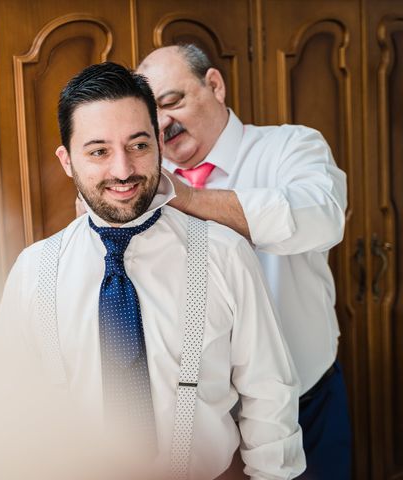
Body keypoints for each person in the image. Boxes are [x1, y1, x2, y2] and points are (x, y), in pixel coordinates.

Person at [0, 62, 305, 479]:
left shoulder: (225, 255)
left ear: (159, 142)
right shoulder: (33, 273)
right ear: (68, 160)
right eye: (99, 151)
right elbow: (9, 411)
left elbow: (270, 397)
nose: (123, 171)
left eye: (138, 145)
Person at [137, 44, 350, 479]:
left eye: (171, 101)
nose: (162, 124)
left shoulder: (290, 146)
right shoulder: (147, 185)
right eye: (149, 115)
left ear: (214, 85)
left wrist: (191, 200)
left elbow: (321, 217)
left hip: (307, 405)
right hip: (207, 430)